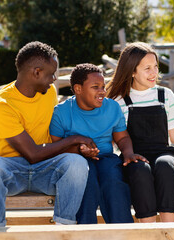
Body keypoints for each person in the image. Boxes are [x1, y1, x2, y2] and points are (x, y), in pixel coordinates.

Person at [0, 41, 92, 227]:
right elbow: (32, 154)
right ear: (36, 72)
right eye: (51, 73)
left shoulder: (48, 92)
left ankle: (64, 228)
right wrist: (74, 139)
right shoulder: (2, 103)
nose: (54, 78)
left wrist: (78, 148)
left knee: (77, 164)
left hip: (46, 168)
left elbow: (53, 137)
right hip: (13, 170)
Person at [106, 42, 174, 223]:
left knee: (165, 166)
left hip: (163, 152)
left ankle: (170, 230)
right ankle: (149, 231)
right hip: (134, 156)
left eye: (155, 67)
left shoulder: (165, 95)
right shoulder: (119, 101)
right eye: (147, 68)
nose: (154, 73)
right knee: (140, 170)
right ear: (132, 71)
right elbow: (114, 140)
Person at [50, 63, 146, 224]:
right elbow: (56, 147)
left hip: (106, 157)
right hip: (76, 161)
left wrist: (128, 153)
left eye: (103, 86)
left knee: (114, 181)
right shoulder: (61, 112)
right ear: (78, 89)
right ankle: (86, 231)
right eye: (95, 87)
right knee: (87, 183)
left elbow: (122, 137)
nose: (102, 91)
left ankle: (122, 231)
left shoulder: (112, 108)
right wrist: (79, 150)